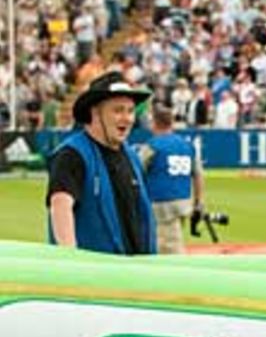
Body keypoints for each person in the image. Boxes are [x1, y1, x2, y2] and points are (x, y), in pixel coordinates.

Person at [46, 71, 156, 255]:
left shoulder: (131, 156)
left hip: (135, 274)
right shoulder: (72, 154)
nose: (127, 118)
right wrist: (70, 259)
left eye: (130, 111)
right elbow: (60, 205)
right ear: (95, 113)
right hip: (94, 277)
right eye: (118, 110)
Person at [141, 106, 203, 254]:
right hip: (182, 200)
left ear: (154, 123)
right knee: (174, 238)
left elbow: (137, 170)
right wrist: (198, 201)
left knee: (166, 247)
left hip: (160, 201)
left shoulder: (152, 146)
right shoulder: (187, 145)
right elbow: (198, 175)